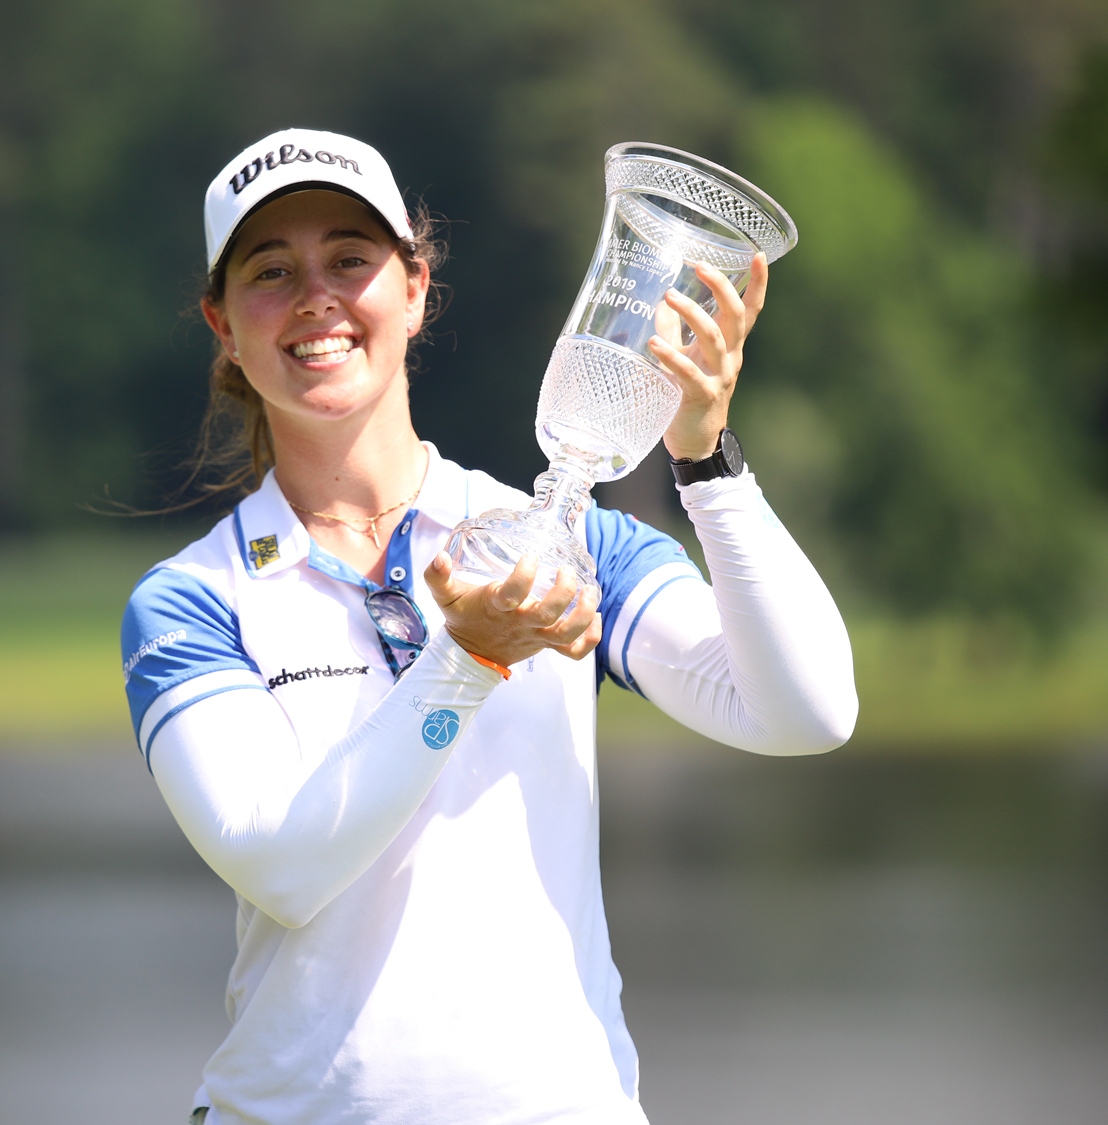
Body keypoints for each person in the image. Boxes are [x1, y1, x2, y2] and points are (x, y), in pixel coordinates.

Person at [121, 128, 857, 1125]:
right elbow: (284, 868)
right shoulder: (190, 601)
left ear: (415, 289)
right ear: (221, 322)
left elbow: (805, 711)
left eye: (350, 258)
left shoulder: (573, 542)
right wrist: (465, 658)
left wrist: (706, 460)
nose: (315, 298)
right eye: (269, 271)